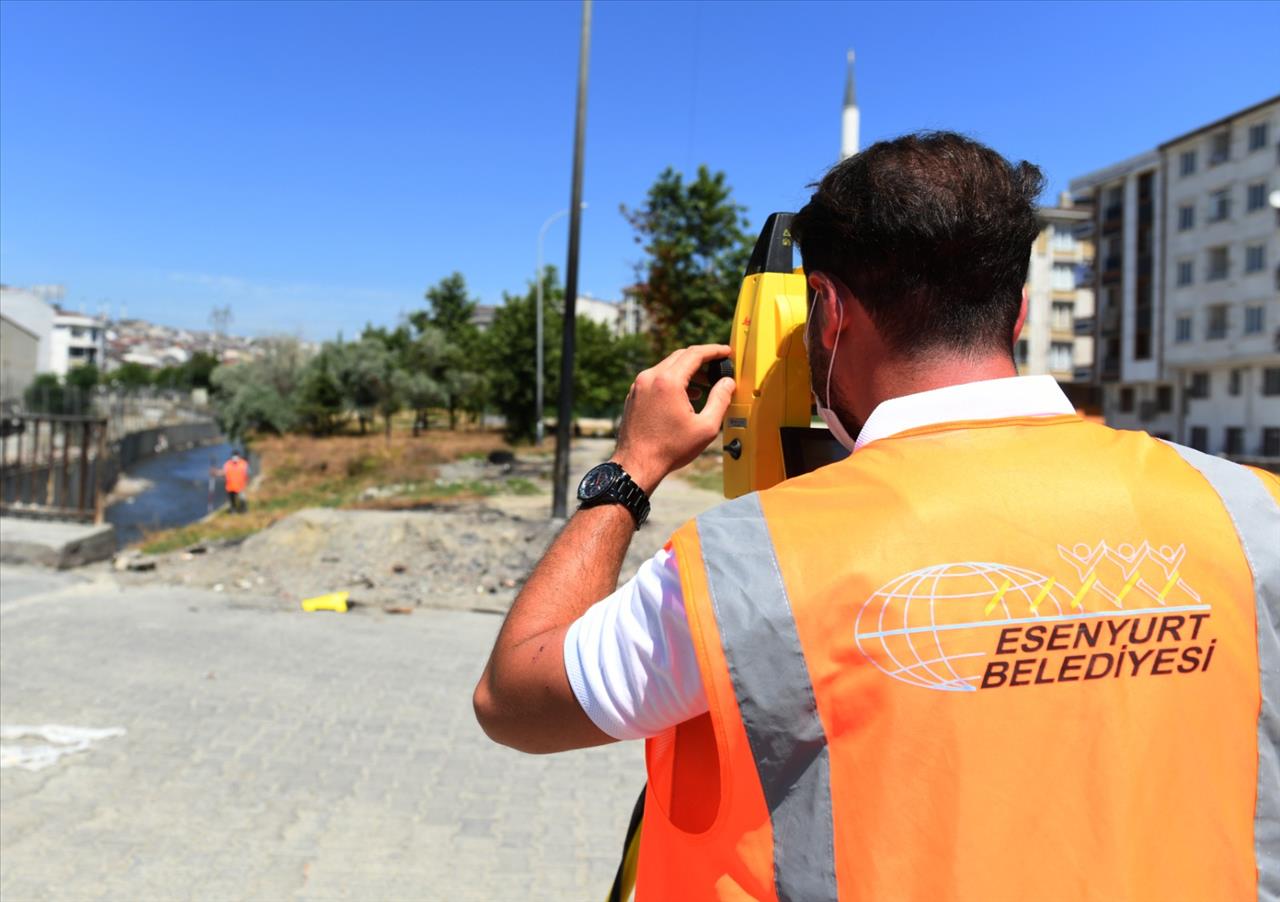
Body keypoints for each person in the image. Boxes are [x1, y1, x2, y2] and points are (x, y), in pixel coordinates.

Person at [474, 132, 1279, 901]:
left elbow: (514, 700)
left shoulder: (756, 564)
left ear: (825, 309)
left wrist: (632, 469)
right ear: (1020, 311)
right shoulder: (1248, 512)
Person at [221, 449, 249, 513]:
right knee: (232, 500)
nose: (235, 457)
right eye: (234, 455)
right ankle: (233, 511)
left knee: (242, 499)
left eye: (236, 455)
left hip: (240, 486)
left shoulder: (243, 463)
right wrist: (216, 472)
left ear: (239, 456)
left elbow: (247, 473)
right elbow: (224, 473)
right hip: (230, 486)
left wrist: (247, 481)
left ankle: (244, 510)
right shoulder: (227, 464)